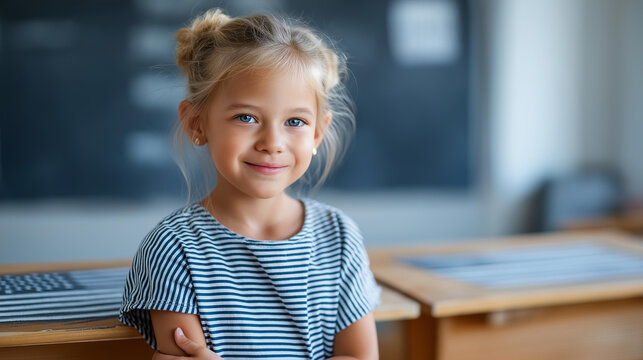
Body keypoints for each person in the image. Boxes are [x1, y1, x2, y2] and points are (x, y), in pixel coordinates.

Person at [119, 8, 381, 360]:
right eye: (246, 117)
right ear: (197, 123)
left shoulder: (339, 237)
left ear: (318, 132)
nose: (272, 142)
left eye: (295, 121)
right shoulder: (173, 249)